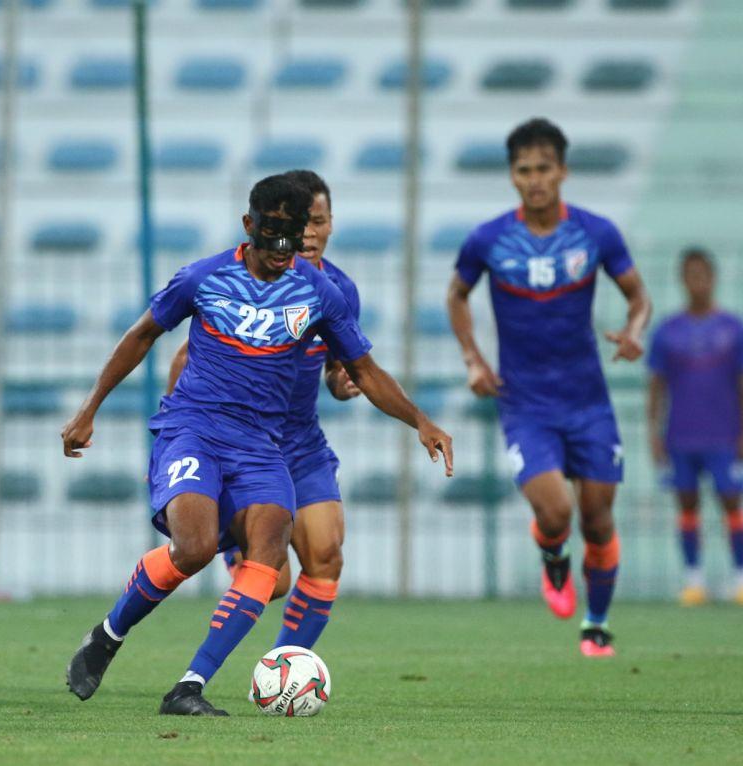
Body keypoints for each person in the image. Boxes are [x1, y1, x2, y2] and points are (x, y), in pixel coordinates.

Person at [62, 174, 453, 716]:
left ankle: (189, 687)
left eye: (292, 240)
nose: (281, 254)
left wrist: (420, 421)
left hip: (262, 444)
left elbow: (362, 369)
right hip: (193, 429)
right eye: (271, 241)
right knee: (194, 548)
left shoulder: (319, 292)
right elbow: (142, 335)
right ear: (249, 226)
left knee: (272, 551)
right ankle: (108, 634)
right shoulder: (202, 277)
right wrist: (88, 410)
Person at [445, 118, 651, 657]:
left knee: (599, 516)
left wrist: (634, 331)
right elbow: (456, 295)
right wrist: (473, 359)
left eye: (544, 169)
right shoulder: (489, 239)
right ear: (512, 176)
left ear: (563, 171)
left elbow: (638, 296)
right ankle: (554, 556)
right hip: (525, 402)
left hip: (588, 400)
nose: (535, 180)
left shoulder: (596, 232)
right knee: (556, 511)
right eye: (524, 170)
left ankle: (597, 623)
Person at [167, 170, 361, 650]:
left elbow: (342, 370)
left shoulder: (336, 291)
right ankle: (231, 557)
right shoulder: (241, 281)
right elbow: (185, 359)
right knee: (274, 581)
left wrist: (341, 382)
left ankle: (285, 666)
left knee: (327, 553)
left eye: (318, 222)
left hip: (299, 443)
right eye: (302, 222)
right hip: (238, 441)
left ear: (332, 224)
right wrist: (179, 433)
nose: (309, 233)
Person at [646, 248, 743, 606]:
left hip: (724, 434)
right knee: (687, 505)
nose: (698, 282)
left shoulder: (734, 328)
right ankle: (693, 580)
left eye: (703, 274)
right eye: (691, 275)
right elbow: (656, 387)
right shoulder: (667, 331)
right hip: (681, 434)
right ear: (682, 279)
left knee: (732, 502)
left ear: (713, 278)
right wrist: (654, 435)